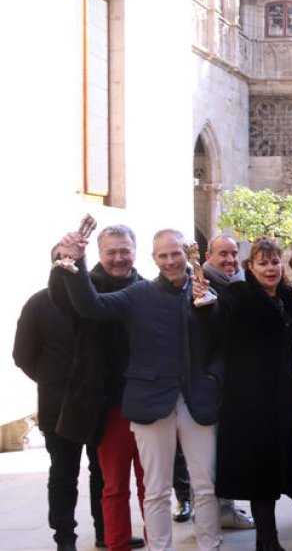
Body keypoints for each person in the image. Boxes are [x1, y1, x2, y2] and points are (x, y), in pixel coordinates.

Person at [54, 228, 222, 551]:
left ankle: (210, 546)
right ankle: (159, 548)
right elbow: (90, 306)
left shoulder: (205, 290)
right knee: (156, 489)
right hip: (150, 401)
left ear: (186, 255)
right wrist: (77, 262)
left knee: (206, 486)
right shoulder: (139, 294)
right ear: (154, 258)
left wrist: (214, 377)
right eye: (163, 255)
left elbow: (221, 341)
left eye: (176, 254)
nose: (171, 261)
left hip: (196, 401)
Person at [193, 238, 292, 551]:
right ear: (250, 267)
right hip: (251, 402)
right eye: (263, 263)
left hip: (284, 397)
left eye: (274, 262)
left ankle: (268, 540)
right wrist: (203, 304)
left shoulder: (288, 298)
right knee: (261, 474)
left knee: (276, 469)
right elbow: (216, 320)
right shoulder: (238, 295)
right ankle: (267, 542)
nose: (270, 268)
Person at [45, 224, 147, 551]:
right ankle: (100, 542)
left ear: (135, 251)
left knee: (152, 486)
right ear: (100, 254)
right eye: (111, 252)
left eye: (124, 251)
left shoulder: (146, 288)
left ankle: (153, 542)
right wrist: (68, 263)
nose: (118, 258)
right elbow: (64, 298)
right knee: (108, 483)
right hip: (101, 404)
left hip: (147, 403)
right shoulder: (85, 286)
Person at [16, 271, 105, 550]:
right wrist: (51, 380)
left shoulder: (94, 301)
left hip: (96, 403)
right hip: (59, 406)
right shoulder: (37, 304)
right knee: (63, 475)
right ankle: (65, 539)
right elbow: (22, 356)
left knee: (103, 473)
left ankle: (105, 531)